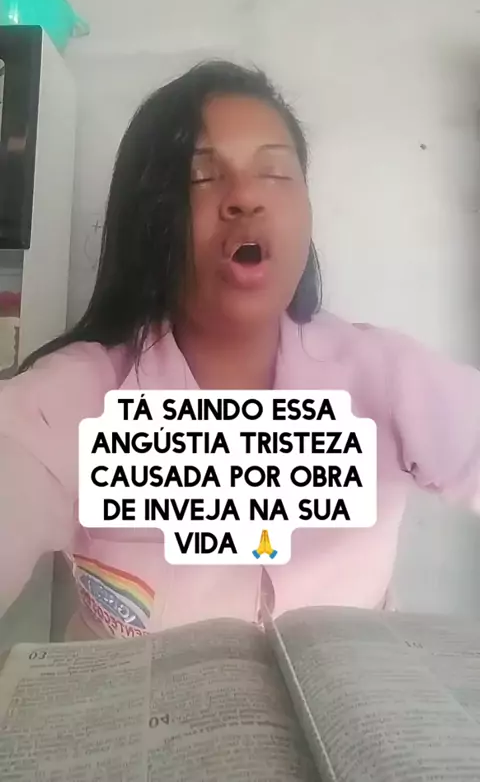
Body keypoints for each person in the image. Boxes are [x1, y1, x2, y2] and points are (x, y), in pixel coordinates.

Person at [0, 60, 479, 641]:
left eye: (275, 172)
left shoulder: (386, 377)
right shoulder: (75, 401)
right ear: (151, 218)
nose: (245, 197)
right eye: (202, 177)